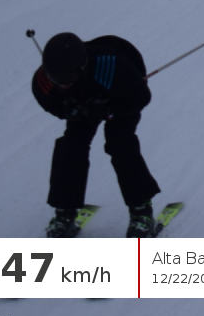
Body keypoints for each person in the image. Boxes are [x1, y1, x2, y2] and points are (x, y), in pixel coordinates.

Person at [32, 32, 160, 237]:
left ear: (81, 68)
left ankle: (141, 210)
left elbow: (141, 97)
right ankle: (64, 213)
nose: (62, 84)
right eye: (56, 79)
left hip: (119, 98)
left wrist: (110, 111)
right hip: (82, 103)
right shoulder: (44, 81)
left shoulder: (111, 67)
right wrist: (70, 111)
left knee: (120, 143)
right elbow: (50, 103)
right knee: (70, 146)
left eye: (67, 79)